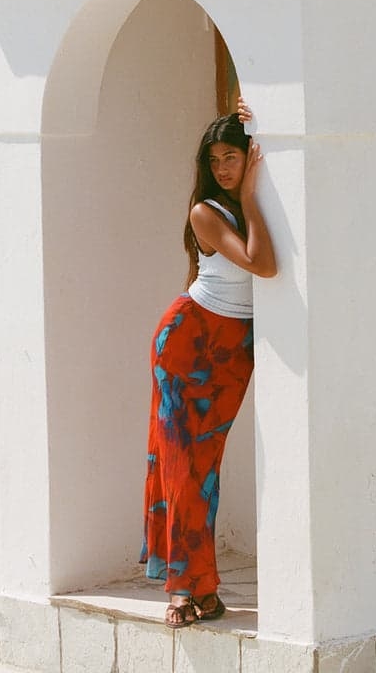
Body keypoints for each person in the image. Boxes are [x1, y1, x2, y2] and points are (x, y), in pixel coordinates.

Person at [139, 98, 276, 629]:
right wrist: (249, 196)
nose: (222, 168)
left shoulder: (251, 202)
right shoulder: (206, 212)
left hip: (234, 349)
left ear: (248, 156)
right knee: (182, 469)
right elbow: (262, 264)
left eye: (231, 157)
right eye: (214, 160)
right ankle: (183, 592)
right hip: (187, 343)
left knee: (205, 472)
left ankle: (203, 589)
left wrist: (252, 109)